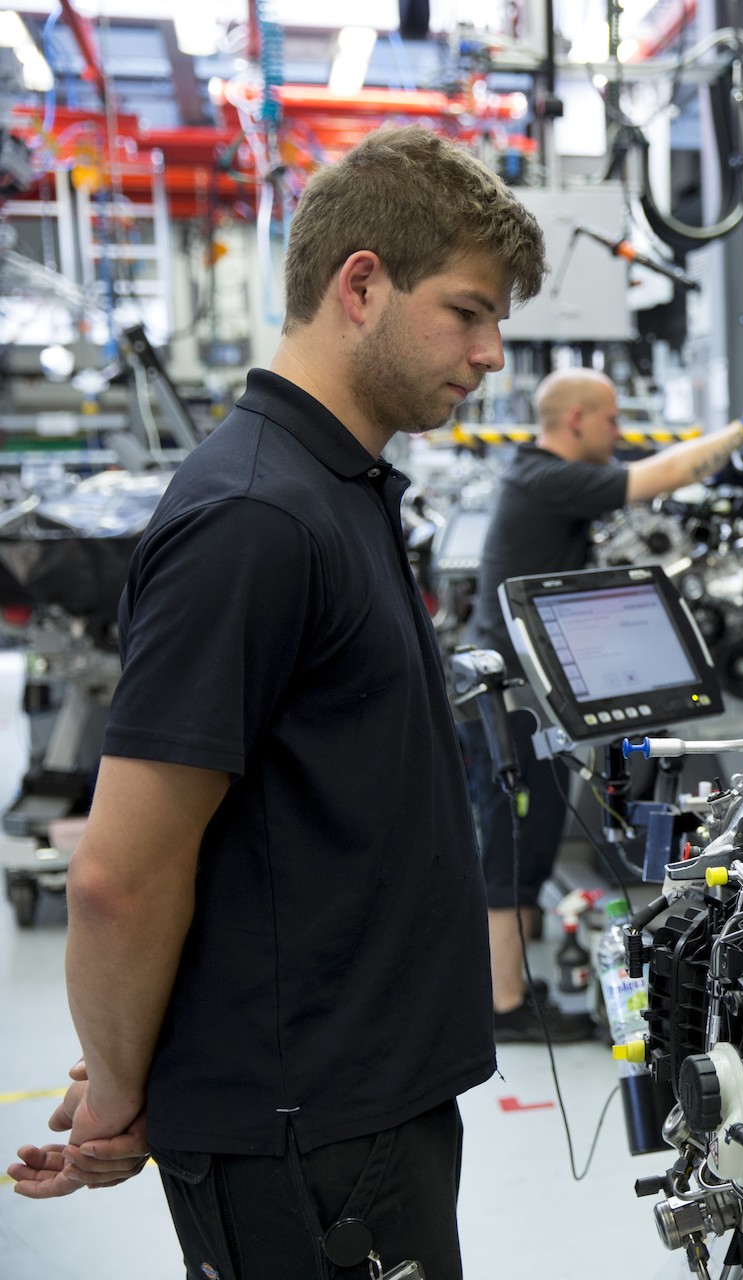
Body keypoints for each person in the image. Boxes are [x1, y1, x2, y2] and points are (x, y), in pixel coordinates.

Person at [8, 126, 546, 1280]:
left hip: (362, 1107)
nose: (493, 350)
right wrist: (114, 1090)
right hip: (312, 1137)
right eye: (468, 311)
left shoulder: (338, 488)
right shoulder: (255, 517)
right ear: (362, 284)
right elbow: (118, 873)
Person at [459, 367, 743, 1041]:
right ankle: (504, 1005)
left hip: (530, 697)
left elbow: (655, 470)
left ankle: (506, 987)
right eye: (609, 419)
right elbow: (653, 478)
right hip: (512, 702)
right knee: (515, 851)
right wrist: (741, 432)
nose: (620, 431)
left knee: (530, 842)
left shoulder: (541, 476)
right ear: (575, 420)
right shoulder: (546, 480)